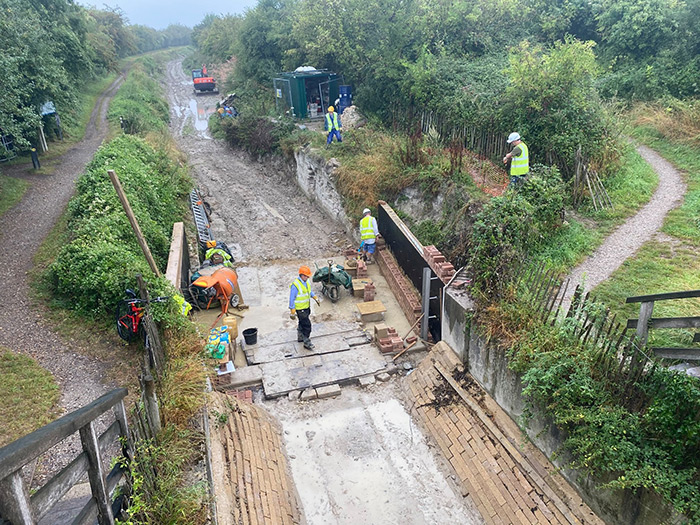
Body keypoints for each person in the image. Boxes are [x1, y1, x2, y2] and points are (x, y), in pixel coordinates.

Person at [289, 266, 321, 350]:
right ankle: (306, 341)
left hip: (306, 307)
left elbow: (309, 291)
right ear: (302, 275)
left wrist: (314, 297)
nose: (308, 277)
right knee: (307, 325)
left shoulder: (306, 282)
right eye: (306, 276)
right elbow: (292, 298)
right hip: (300, 309)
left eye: (308, 276)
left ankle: (300, 336)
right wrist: (292, 310)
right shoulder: (295, 285)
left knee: (302, 322)